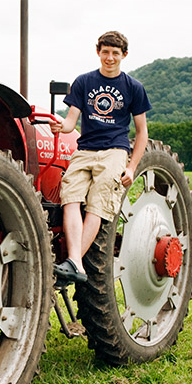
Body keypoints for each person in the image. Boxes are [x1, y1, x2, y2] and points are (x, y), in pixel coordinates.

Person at [50, 30, 150, 283]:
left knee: (97, 204)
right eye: (105, 52)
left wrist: (132, 167)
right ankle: (76, 262)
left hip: (115, 151)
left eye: (115, 53)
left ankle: (74, 262)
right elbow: (71, 122)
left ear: (124, 55)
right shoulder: (84, 82)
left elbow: (141, 132)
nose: (109, 57)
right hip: (85, 149)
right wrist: (61, 126)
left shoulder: (133, 87)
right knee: (70, 197)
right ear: (98, 52)